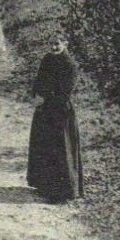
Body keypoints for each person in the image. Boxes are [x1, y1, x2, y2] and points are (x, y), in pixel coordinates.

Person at [27, 40, 84, 203]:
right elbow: (39, 80)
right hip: (45, 111)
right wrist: (37, 95)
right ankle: (44, 185)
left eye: (58, 43)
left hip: (60, 112)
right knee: (45, 145)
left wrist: (45, 97)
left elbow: (65, 90)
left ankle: (62, 191)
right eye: (51, 43)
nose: (54, 47)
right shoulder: (47, 59)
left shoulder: (70, 65)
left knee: (61, 148)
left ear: (66, 43)